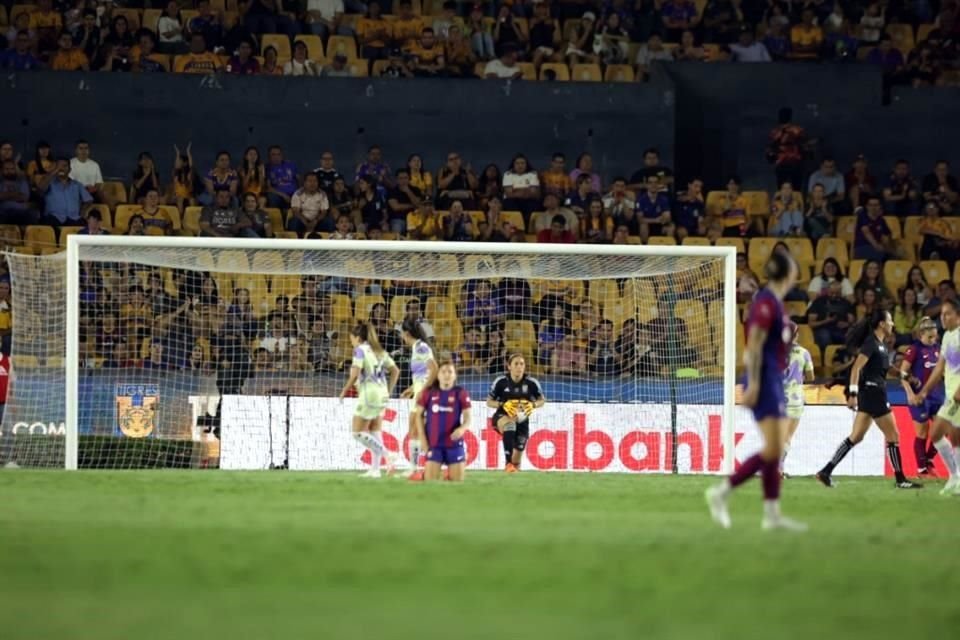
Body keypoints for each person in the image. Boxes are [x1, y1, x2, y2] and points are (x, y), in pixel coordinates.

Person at [705, 252, 808, 531]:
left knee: (774, 450)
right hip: (764, 380)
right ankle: (722, 494)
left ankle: (770, 514)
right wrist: (754, 385)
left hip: (772, 379)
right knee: (774, 449)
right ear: (788, 274)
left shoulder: (773, 302)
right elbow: (754, 347)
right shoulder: (765, 303)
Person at [816, 309, 922, 489]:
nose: (892, 324)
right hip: (873, 393)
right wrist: (853, 394)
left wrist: (906, 376)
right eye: (890, 321)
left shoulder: (879, 345)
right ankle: (900, 480)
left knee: (855, 437)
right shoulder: (871, 343)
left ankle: (825, 471)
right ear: (881, 324)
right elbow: (857, 368)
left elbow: (887, 369)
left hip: (870, 393)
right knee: (893, 436)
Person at [339, 322, 403, 479]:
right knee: (375, 430)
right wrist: (388, 390)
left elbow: (354, 374)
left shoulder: (360, 350)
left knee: (357, 432)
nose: (351, 342)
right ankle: (375, 470)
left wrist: (343, 391)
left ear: (358, 338)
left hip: (369, 394)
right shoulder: (379, 351)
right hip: (382, 393)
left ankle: (388, 454)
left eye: (352, 339)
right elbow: (395, 370)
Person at [913, 298, 960, 495]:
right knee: (949, 437)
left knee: (940, 434)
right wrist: (924, 392)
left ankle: (955, 478)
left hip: (957, 394)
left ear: (958, 316)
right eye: (941, 314)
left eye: (947, 313)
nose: (943, 317)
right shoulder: (948, 337)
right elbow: (939, 367)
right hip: (951, 394)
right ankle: (955, 478)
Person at [412, 358, 471, 482]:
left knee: (457, 485)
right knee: (430, 484)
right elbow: (418, 416)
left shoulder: (461, 393)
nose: (447, 375)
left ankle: (448, 476)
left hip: (454, 445)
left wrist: (462, 429)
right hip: (434, 445)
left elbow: (468, 418)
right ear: (438, 375)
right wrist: (423, 441)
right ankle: (424, 475)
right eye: (443, 372)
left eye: (450, 372)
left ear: (455, 376)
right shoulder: (428, 393)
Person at [486, 352, 545, 472]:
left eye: (522, 364)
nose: (519, 367)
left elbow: (542, 400)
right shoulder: (501, 381)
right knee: (510, 425)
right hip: (502, 416)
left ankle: (512, 473)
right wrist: (502, 404)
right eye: (516, 364)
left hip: (522, 420)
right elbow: (489, 402)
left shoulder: (531, 383)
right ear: (509, 366)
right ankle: (508, 463)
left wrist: (533, 404)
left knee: (517, 461)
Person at [900, 318, 944, 476]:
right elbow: (903, 373)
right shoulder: (914, 349)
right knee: (922, 432)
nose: (933, 340)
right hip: (919, 396)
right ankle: (922, 469)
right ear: (921, 335)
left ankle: (928, 459)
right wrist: (910, 394)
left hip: (937, 395)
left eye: (935, 337)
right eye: (929, 337)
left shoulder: (938, 349)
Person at [399, 315, 437, 481]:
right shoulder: (417, 348)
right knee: (415, 430)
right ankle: (415, 468)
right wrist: (411, 389)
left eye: (402, 333)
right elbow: (422, 375)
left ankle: (418, 468)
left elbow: (434, 369)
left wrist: (423, 390)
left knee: (416, 430)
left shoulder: (421, 347)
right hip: (420, 392)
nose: (401, 337)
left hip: (424, 394)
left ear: (407, 333)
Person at [781, 321, 814, 475]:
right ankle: (778, 468)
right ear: (796, 334)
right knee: (787, 437)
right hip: (795, 399)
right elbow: (811, 376)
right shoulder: (804, 353)